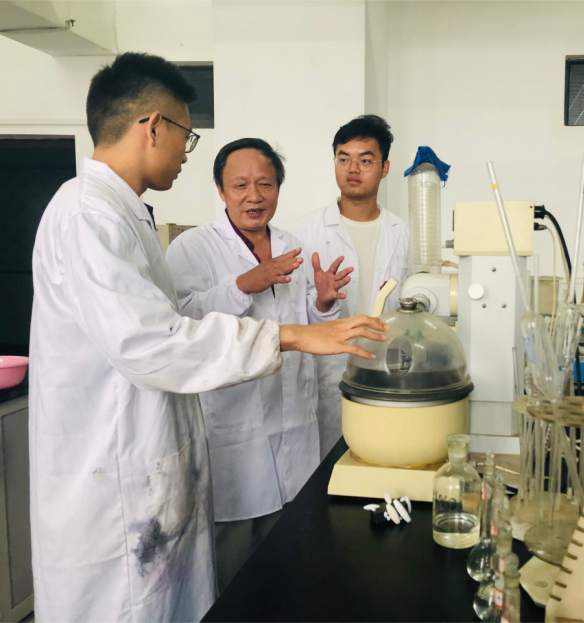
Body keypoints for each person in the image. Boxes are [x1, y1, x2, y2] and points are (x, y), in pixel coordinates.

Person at [28, 53, 385, 623]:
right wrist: (290, 335)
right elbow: (156, 342)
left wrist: (313, 313)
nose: (184, 153)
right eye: (186, 136)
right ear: (153, 126)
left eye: (265, 183)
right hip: (114, 484)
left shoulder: (125, 214)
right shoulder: (87, 215)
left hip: (160, 464)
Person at [166, 138, 352, 592]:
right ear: (220, 189)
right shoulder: (191, 248)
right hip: (233, 432)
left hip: (296, 422)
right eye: (241, 185)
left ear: (278, 188)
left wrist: (323, 302)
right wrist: (243, 284)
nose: (254, 196)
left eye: (265, 184)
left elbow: (306, 327)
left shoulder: (291, 245)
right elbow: (179, 324)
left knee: (295, 559)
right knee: (235, 570)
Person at [292, 115, 410, 457]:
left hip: (384, 369)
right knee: (327, 466)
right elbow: (292, 313)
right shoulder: (305, 231)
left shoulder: (401, 232)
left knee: (380, 457)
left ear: (385, 168)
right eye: (343, 159)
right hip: (326, 374)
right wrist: (323, 302)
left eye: (365, 160)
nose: (352, 169)